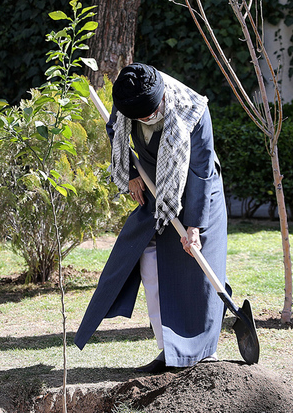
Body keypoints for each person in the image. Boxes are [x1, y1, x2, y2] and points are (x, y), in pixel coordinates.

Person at [74, 63, 229, 373]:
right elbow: (113, 128)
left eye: (150, 114)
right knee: (148, 260)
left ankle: (198, 355)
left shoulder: (193, 110)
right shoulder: (128, 100)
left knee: (196, 278)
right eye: (139, 117)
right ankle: (168, 350)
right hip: (154, 188)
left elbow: (201, 170)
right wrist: (132, 174)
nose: (145, 119)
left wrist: (194, 226)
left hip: (198, 193)